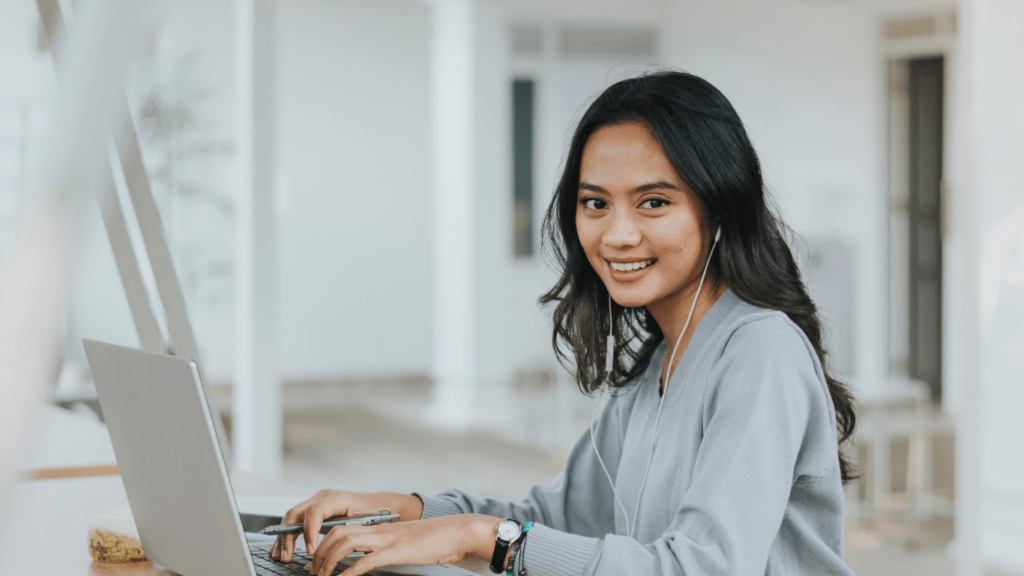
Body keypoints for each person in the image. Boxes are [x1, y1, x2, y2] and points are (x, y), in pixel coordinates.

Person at [269, 71, 858, 576]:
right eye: (595, 202)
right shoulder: (662, 359)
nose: (617, 234)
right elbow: (554, 521)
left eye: (654, 201)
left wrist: (480, 537)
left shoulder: (760, 351)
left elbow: (700, 568)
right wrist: (402, 509)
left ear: (720, 207)